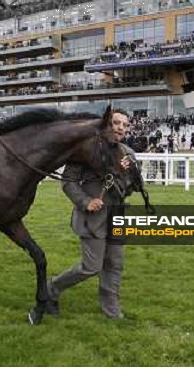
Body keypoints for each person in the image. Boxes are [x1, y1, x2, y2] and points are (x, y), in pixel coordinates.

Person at [47, 109, 136, 319]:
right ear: (107, 125)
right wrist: (85, 202)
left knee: (115, 264)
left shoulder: (128, 154)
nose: (120, 127)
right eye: (116, 122)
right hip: (92, 219)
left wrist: (127, 173)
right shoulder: (85, 150)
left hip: (117, 217)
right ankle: (52, 288)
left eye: (124, 124)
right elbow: (68, 181)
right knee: (91, 267)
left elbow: (129, 188)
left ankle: (111, 310)